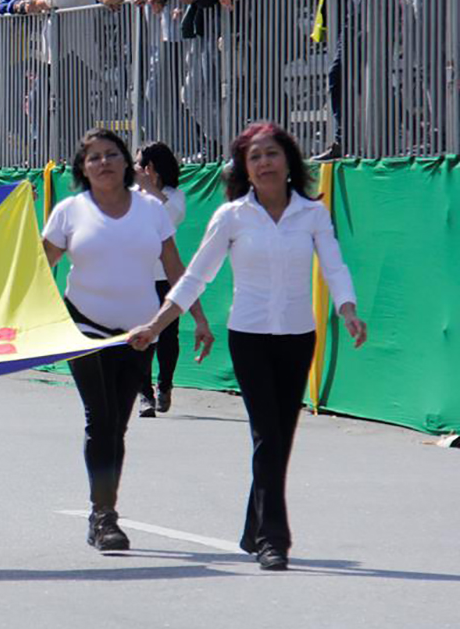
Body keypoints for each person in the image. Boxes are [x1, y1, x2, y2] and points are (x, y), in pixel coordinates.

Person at [127, 122, 367, 571]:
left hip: (298, 337)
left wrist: (348, 309)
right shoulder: (232, 216)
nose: (264, 163)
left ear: (289, 162)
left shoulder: (312, 214)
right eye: (254, 157)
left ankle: (251, 526)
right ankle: (275, 538)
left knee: (282, 438)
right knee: (267, 436)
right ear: (245, 169)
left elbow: (334, 267)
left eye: (271, 154)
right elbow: (196, 274)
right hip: (250, 336)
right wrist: (157, 324)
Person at [41, 128, 211, 551]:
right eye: (94, 157)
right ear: (83, 167)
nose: (104, 163)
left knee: (117, 424)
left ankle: (102, 508)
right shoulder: (69, 212)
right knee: (99, 419)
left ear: (125, 163)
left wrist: (199, 318)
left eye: (112, 154)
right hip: (83, 327)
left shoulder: (151, 210)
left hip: (139, 331)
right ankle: (104, 517)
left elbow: (175, 268)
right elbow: (37, 269)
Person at [132, 142, 185, 417]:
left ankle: (165, 384)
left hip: (164, 277)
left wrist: (149, 187)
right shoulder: (130, 196)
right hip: (137, 277)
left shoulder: (174, 196)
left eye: (139, 164)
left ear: (151, 168)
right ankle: (144, 395)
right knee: (141, 336)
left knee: (167, 337)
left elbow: (170, 217)